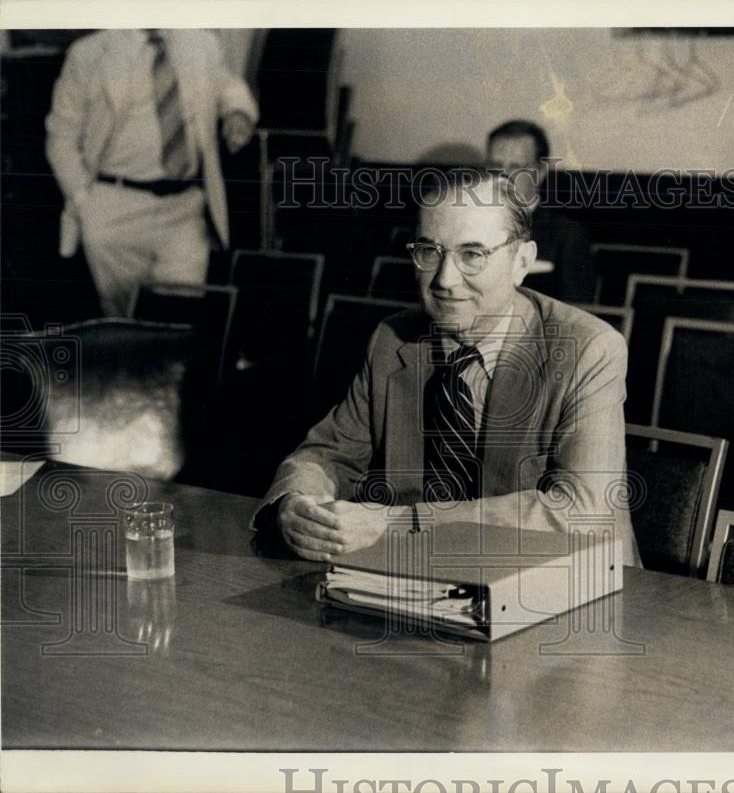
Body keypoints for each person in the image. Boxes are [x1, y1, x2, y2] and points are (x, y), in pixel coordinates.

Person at [255, 170, 640, 566]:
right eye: (429, 252)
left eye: (472, 255)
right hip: (426, 582)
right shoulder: (394, 339)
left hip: (567, 586)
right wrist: (295, 502)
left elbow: (583, 513)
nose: (445, 279)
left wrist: (399, 523)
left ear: (521, 261)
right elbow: (328, 453)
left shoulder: (588, 349)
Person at [45, 29, 258, 317]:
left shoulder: (200, 42)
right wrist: (85, 201)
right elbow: (61, 137)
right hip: (115, 209)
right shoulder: (90, 53)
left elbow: (226, 83)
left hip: (183, 209)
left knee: (180, 318)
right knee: (126, 325)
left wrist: (237, 112)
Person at [486, 120, 596, 303]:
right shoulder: (464, 227)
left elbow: (577, 318)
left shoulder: (567, 235)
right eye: (496, 166)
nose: (503, 177)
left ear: (540, 172)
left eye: (516, 167)